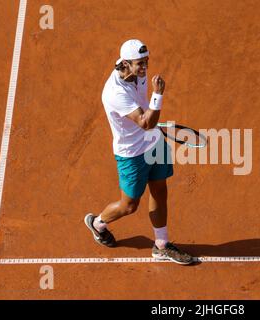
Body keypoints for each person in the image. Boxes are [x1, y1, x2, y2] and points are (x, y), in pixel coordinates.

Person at [84, 39, 193, 265]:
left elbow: (147, 121)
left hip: (153, 142)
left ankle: (161, 245)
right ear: (125, 64)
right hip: (131, 152)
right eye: (139, 63)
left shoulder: (132, 68)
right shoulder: (114, 92)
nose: (144, 67)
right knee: (129, 205)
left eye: (146, 61)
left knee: (160, 191)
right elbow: (145, 122)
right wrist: (158, 95)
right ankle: (97, 223)